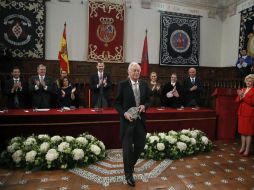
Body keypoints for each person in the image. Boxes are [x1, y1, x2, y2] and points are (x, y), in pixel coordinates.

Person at [114, 61, 150, 187]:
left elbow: (148, 100)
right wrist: (124, 113)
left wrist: (144, 106)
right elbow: (116, 104)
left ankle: (130, 165)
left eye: (138, 71)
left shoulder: (145, 84)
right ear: (129, 72)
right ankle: (128, 175)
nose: (136, 73)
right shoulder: (122, 85)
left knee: (140, 145)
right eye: (134, 70)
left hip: (140, 121)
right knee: (127, 150)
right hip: (127, 122)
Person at [236, 74, 254, 157]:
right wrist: (240, 95)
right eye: (247, 81)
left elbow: (252, 102)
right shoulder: (243, 89)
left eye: (250, 81)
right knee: (242, 132)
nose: (248, 82)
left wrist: (243, 96)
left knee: (248, 133)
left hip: (249, 114)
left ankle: (247, 149)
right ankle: (242, 147)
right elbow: (236, 100)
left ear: (253, 82)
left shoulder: (253, 90)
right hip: (241, 113)